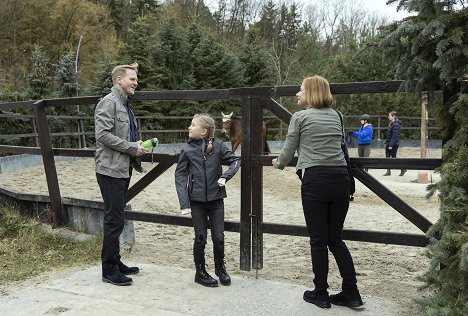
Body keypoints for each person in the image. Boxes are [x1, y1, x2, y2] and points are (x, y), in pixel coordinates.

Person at [272, 76, 363, 309]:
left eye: (300, 90)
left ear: (311, 93)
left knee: (318, 240)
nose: (297, 94)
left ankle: (320, 293)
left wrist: (278, 163)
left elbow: (289, 148)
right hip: (341, 178)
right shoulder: (337, 116)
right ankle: (351, 293)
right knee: (335, 238)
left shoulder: (300, 117)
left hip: (316, 180)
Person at [95, 63, 147, 286]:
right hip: (110, 170)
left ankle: (116, 262)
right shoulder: (109, 103)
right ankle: (108, 270)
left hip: (122, 169)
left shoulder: (125, 104)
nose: (136, 83)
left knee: (117, 218)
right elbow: (103, 135)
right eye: (132, 79)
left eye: (136, 79)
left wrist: (135, 147)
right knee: (113, 220)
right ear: (119, 80)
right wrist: (131, 147)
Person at [175, 114, 240, 287]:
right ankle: (200, 272)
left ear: (203, 131)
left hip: (216, 199)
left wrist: (225, 177)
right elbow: (180, 175)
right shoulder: (187, 150)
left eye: (193, 124)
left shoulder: (218, 146)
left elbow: (235, 161)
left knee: (219, 237)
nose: (189, 127)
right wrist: (184, 202)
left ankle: (220, 268)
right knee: (200, 237)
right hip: (196, 201)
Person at [383, 111, 406, 176]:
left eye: (389, 116)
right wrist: (386, 143)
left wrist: (391, 145)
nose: (388, 117)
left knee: (394, 158)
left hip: (393, 144)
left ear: (394, 116)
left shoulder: (396, 125)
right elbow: (389, 135)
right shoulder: (391, 123)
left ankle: (402, 168)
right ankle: (388, 171)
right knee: (387, 157)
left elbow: (394, 136)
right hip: (389, 143)